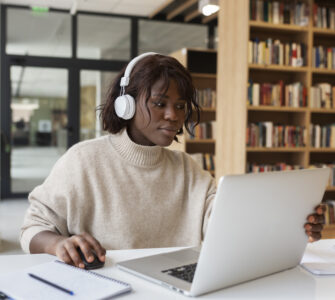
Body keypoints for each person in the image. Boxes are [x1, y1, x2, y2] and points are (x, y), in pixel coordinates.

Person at [20, 53, 325, 269]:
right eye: (159, 103)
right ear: (126, 105)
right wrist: (56, 245)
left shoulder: (188, 169)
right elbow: (33, 228)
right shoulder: (83, 160)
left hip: (179, 288)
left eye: (180, 106)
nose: (174, 115)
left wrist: (291, 225)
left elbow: (226, 224)